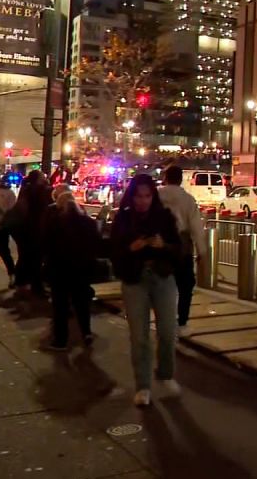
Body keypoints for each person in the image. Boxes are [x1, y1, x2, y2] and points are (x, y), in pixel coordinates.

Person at [110, 174, 183, 407]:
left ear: (153, 196)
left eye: (147, 196)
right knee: (139, 336)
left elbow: (179, 249)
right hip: (135, 279)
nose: (143, 201)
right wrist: (131, 248)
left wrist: (164, 246)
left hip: (162, 276)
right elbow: (113, 250)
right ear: (132, 196)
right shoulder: (122, 218)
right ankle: (143, 385)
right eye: (139, 196)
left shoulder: (164, 217)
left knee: (168, 330)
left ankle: (165, 373)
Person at [40, 188, 99, 351]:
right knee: (82, 303)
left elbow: (46, 244)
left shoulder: (56, 223)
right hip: (82, 268)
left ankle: (61, 339)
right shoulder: (89, 223)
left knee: (60, 305)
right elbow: (96, 245)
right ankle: (86, 332)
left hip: (60, 269)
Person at [157, 165, 205, 337]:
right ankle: (182, 322)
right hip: (182, 247)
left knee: (161, 285)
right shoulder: (188, 199)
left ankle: (163, 321)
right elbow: (196, 227)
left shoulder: (157, 195)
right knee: (185, 285)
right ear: (180, 179)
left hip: (159, 246)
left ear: (166, 177)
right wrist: (201, 250)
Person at [14, 170, 53, 296]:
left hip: (23, 227)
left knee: (24, 256)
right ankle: (37, 286)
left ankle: (20, 282)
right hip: (36, 228)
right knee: (36, 258)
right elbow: (47, 206)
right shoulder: (42, 190)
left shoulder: (25, 189)